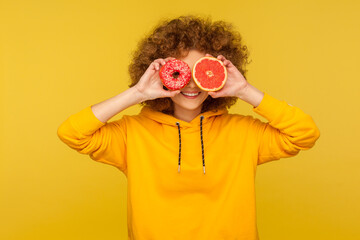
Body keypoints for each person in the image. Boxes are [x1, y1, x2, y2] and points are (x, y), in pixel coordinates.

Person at [57, 15, 320, 240]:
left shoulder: (244, 132)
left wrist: (244, 90)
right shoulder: (132, 134)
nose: (192, 84)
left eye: (201, 73)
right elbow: (72, 132)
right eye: (181, 72)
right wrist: (138, 93)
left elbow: (305, 133)